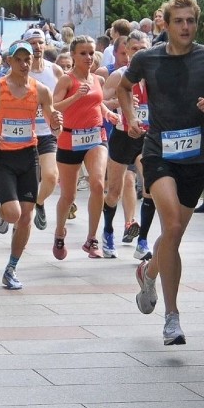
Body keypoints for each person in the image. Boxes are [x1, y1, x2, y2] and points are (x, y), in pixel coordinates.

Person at [117, 0, 204, 345]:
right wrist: (131, 116)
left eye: (190, 21)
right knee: (174, 226)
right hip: (158, 154)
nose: (185, 27)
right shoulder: (147, 59)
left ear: (197, 23)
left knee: (173, 238)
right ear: (165, 24)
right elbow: (124, 88)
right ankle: (172, 317)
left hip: (195, 159)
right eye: (178, 21)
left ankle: (148, 272)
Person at [0, 41, 63, 289]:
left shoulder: (41, 90)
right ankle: (0, 206)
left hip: (28, 155)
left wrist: (56, 122)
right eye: (19, 59)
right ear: (9, 61)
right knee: (13, 213)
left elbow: (54, 127)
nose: (24, 64)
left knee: (25, 218)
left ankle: (11, 267)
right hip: (5, 158)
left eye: (27, 59)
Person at [51, 36, 118, 259]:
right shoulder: (67, 80)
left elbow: (97, 102)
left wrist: (108, 113)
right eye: (83, 53)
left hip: (96, 137)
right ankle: (60, 231)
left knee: (98, 183)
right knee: (68, 196)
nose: (88, 57)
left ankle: (92, 239)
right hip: (70, 139)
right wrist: (75, 97)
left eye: (91, 53)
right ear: (73, 56)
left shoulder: (97, 79)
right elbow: (53, 107)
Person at [101, 31, 153, 258]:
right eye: (134, 49)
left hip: (147, 138)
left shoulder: (156, 75)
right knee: (114, 191)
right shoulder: (119, 75)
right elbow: (100, 102)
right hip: (122, 137)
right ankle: (108, 231)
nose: (139, 53)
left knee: (150, 188)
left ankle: (143, 241)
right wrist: (117, 102)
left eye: (143, 49)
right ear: (127, 52)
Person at [23, 28, 64, 232]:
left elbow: (63, 99)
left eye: (40, 43)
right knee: (25, 180)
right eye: (32, 43)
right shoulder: (21, 72)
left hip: (47, 132)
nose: (37, 47)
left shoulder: (54, 70)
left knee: (51, 176)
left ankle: (38, 203)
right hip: (23, 134)